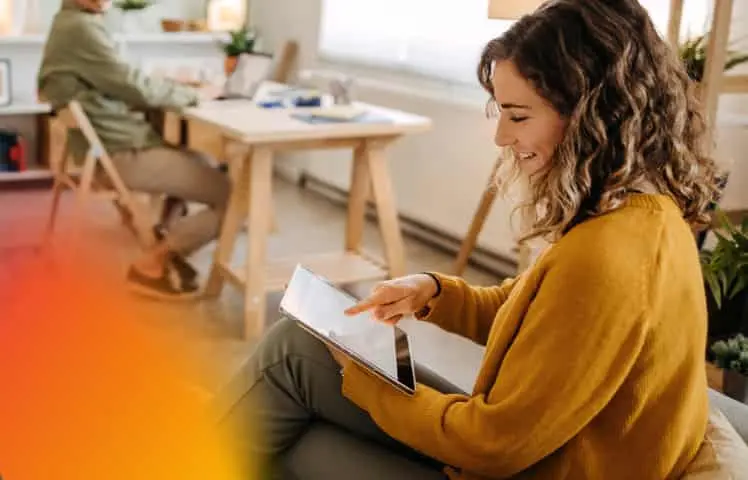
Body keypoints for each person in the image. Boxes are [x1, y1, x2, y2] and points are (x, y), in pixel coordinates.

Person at [224, 0, 720, 478]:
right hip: (534, 458)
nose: (501, 137)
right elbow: (542, 314)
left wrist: (361, 381)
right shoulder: (645, 216)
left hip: (514, 464)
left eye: (519, 115)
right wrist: (435, 292)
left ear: (597, 116)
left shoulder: (609, 258)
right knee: (294, 349)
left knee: (294, 435)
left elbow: (491, 444)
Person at [38, 0, 229, 300]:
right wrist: (194, 93)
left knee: (201, 160)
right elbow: (132, 84)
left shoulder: (68, 23)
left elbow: (121, 82)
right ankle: (152, 263)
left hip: (110, 148)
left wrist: (169, 90)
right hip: (123, 154)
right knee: (237, 196)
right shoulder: (80, 28)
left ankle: (163, 239)